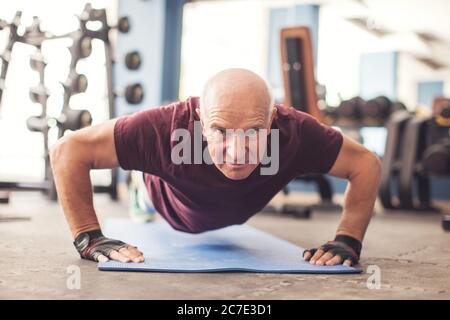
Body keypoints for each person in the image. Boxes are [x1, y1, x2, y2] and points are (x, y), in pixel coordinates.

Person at [50, 68, 381, 266]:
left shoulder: (295, 133)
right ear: (199, 119)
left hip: (234, 210)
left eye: (253, 132)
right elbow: (68, 152)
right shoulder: (165, 128)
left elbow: (366, 164)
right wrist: (88, 238)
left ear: (272, 120)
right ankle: (141, 183)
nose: (237, 153)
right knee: (147, 183)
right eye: (220, 132)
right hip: (171, 204)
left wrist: (348, 239)